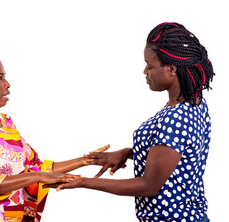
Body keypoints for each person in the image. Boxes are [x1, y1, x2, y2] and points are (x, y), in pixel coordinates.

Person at [52, 22, 215, 222]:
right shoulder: (195, 104)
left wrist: (84, 183)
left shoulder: (176, 118)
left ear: (172, 69)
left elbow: (149, 185)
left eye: (150, 66)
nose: (145, 72)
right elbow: (178, 155)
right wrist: (130, 152)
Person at [0, 52, 109, 222]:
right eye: (0, 77)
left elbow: (35, 168)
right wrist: (38, 177)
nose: (8, 84)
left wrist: (87, 160)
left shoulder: (5, 123)